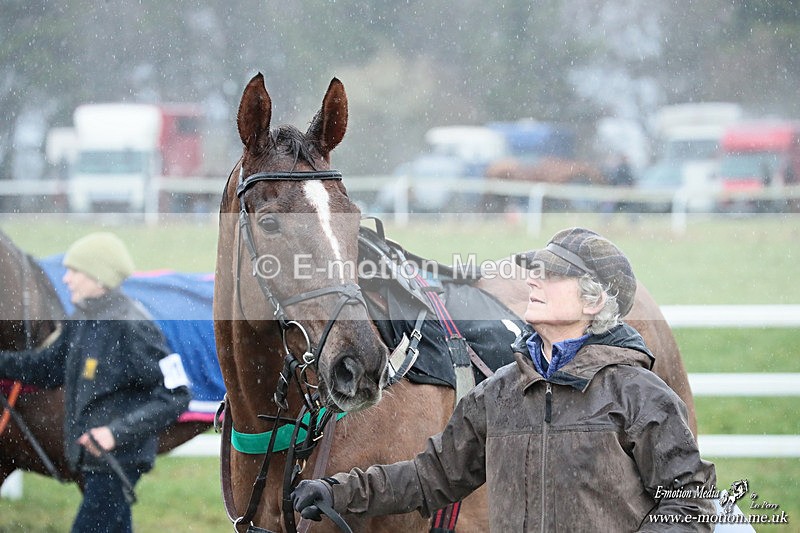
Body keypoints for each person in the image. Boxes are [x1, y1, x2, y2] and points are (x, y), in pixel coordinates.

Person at [292, 227, 716, 531]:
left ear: (594, 299)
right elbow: (430, 478)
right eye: (537, 269)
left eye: (553, 274)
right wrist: (338, 493)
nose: (533, 279)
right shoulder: (499, 393)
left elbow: (690, 503)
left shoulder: (640, 396)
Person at [0, 232, 191, 533]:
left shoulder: (134, 326)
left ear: (98, 278)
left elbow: (176, 395)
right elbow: (44, 368)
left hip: (117, 461)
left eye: (74, 271)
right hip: (93, 461)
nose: (66, 280)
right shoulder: (81, 320)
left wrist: (115, 433)